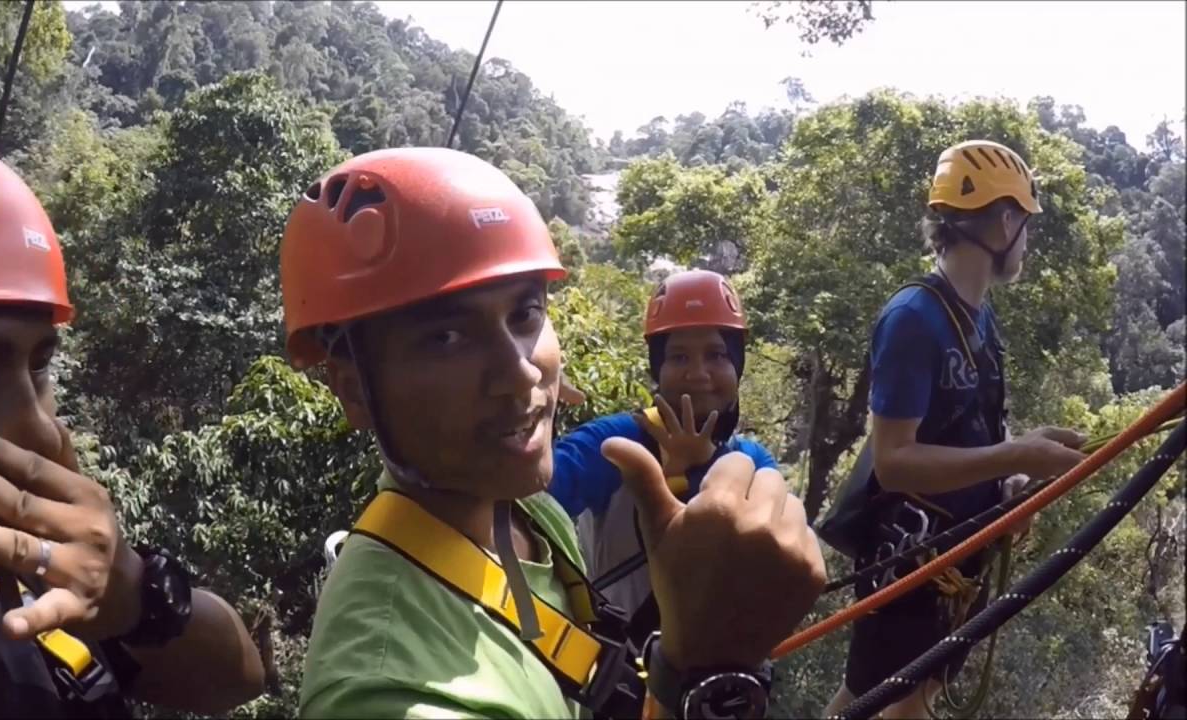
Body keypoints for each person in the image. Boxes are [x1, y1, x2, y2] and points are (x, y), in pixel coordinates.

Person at [285, 147, 826, 719]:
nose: (521, 370)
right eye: (446, 337)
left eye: (525, 315)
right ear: (352, 388)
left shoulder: (526, 515)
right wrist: (701, 667)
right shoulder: (390, 694)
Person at [0, 123, 265, 718]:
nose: (45, 431)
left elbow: (236, 678)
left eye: (40, 366)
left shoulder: (46, 613)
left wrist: (132, 593)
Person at [821, 140, 1088, 719]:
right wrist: (1013, 454)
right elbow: (894, 461)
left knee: (905, 695)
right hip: (911, 551)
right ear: (1006, 220)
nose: (1028, 241)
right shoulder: (914, 319)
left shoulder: (977, 314)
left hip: (958, 549)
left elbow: (972, 429)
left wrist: (1014, 474)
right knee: (888, 699)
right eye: (1026, 224)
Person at [550, 269, 779, 629]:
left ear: (737, 363)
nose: (699, 373)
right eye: (679, 357)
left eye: (717, 355)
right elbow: (533, 491)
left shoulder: (753, 461)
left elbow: (773, 561)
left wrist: (702, 467)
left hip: (719, 666)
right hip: (619, 665)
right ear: (659, 367)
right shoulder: (619, 442)